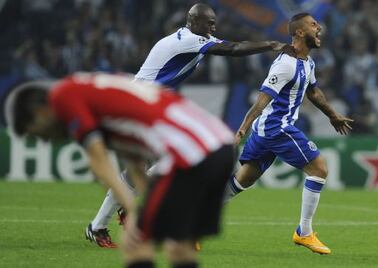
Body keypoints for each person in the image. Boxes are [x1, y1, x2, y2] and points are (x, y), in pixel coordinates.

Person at [86, 2, 295, 248]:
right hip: (136, 106)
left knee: (154, 165)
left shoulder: (193, 37)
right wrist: (271, 44)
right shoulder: (188, 40)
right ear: (192, 20)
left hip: (147, 106)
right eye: (208, 22)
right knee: (167, 161)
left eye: (214, 23)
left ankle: (113, 215)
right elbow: (234, 48)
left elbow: (227, 44)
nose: (213, 27)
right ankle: (101, 224)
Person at [5, 72, 235, 268]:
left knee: (135, 242)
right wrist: (144, 202)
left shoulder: (63, 95)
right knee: (179, 246)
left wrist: (134, 211)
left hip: (190, 153)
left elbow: (97, 158)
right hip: (220, 145)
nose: (44, 140)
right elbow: (133, 160)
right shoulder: (97, 93)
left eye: (34, 131)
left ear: (39, 111)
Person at [224, 13, 353, 255]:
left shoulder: (307, 62)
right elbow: (262, 100)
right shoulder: (285, 64)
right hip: (276, 127)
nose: (319, 27)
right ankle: (304, 232)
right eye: (313, 24)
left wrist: (332, 115)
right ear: (300, 32)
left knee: (242, 181)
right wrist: (242, 129)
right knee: (320, 168)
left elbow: (313, 92)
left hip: (267, 131)